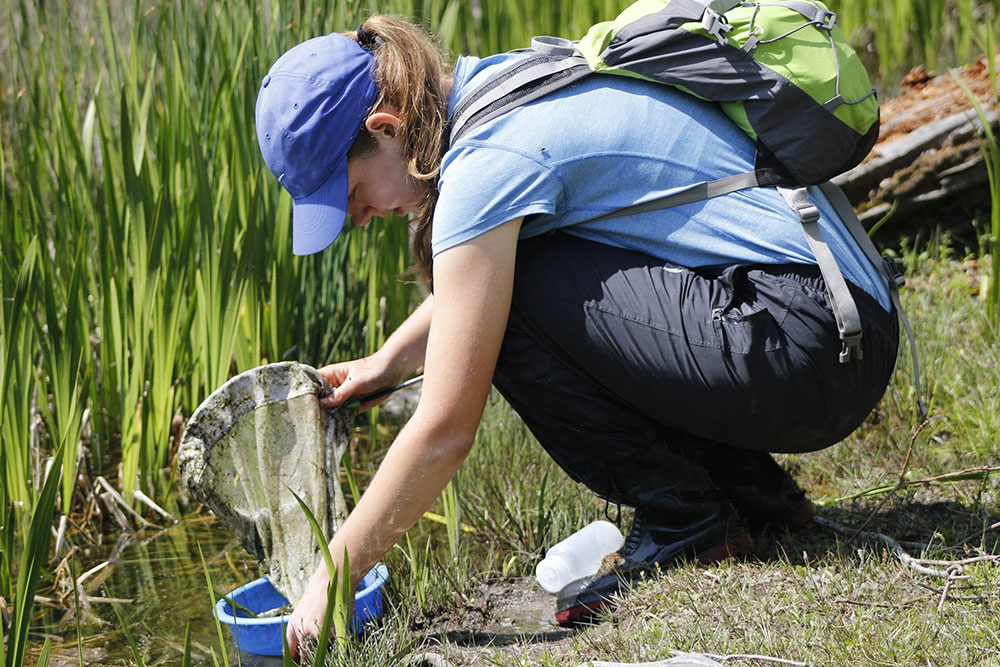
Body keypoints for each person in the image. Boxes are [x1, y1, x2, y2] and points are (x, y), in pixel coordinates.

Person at [254, 15, 898, 659]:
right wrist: (390, 360)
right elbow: (487, 282)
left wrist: (330, 579)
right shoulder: (496, 92)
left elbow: (446, 427)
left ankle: (685, 518)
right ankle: (750, 495)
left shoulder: (485, 168)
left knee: (505, 305)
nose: (361, 219)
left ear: (387, 129)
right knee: (508, 284)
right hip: (838, 324)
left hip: (813, 346)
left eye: (354, 195)